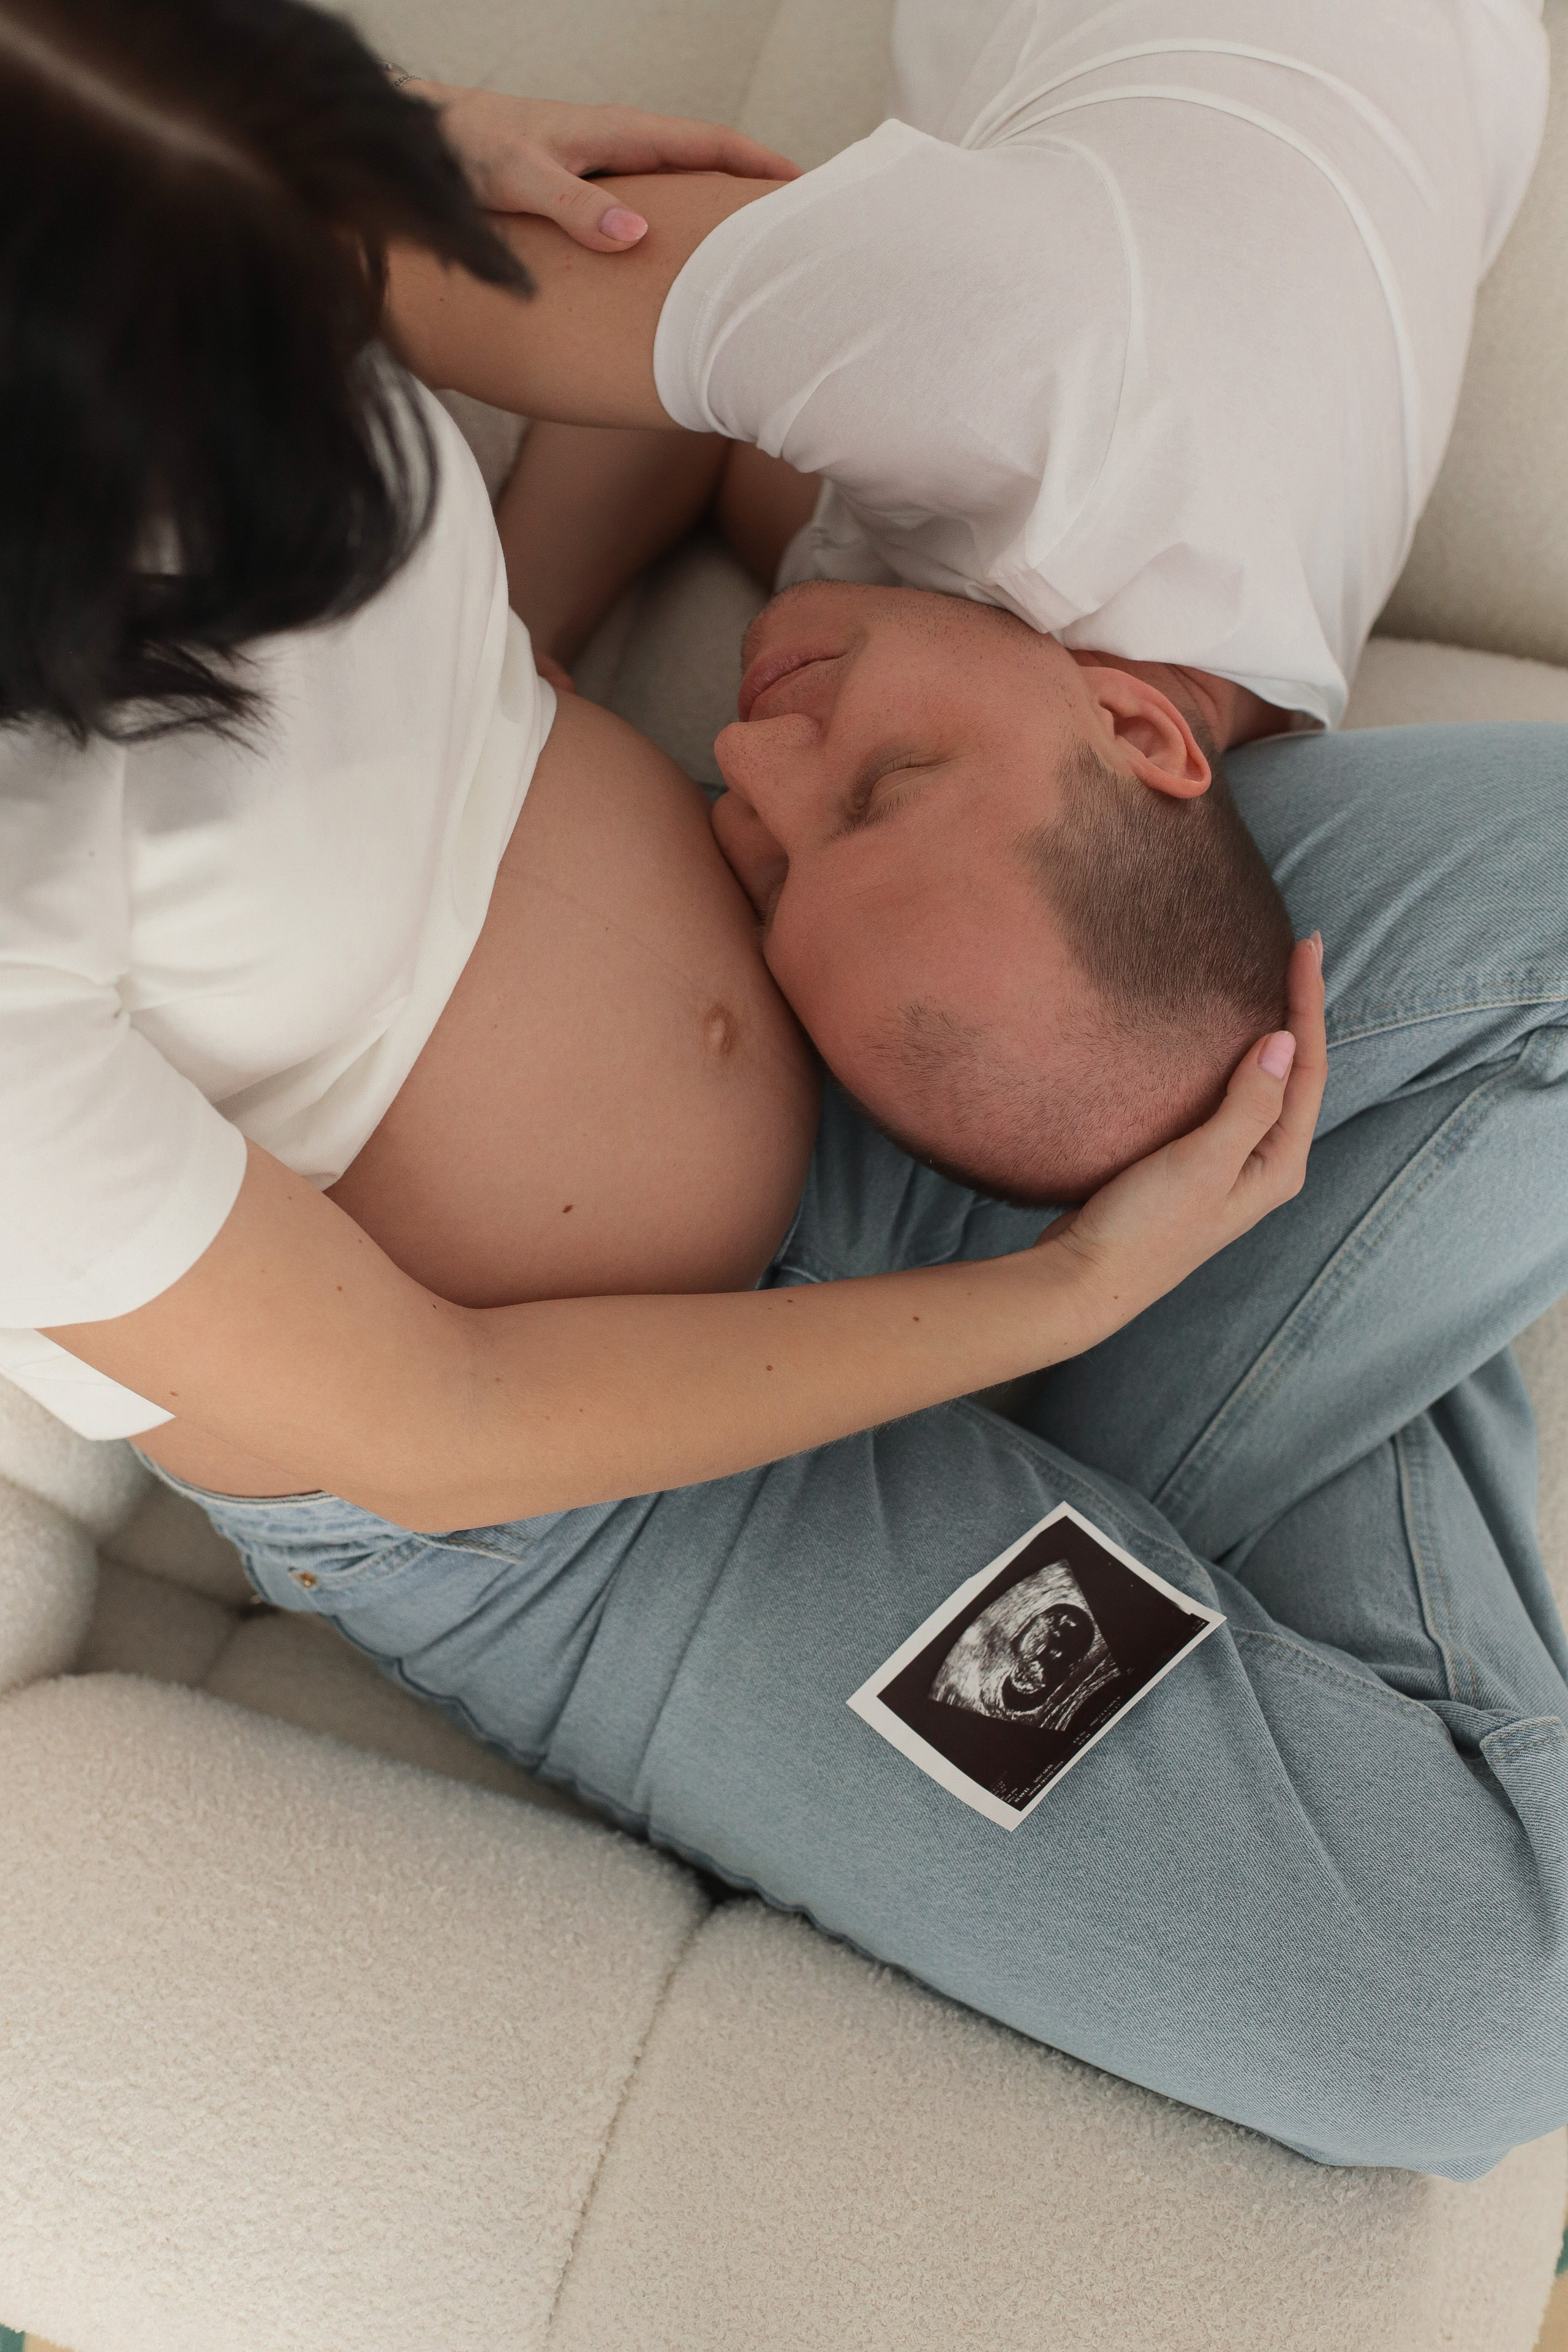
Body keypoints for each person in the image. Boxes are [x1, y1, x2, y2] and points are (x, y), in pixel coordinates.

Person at [7, 0, 1567, 2177]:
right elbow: (430, 1418)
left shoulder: (131, 157)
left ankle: (1146, 1377)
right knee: (1471, 2010)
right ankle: (1146, 1379)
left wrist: (385, 177)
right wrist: (1073, 1293)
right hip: (608, 1504)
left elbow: (667, 348)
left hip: (921, 1022)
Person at [392, 0, 1550, 1202]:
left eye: (774, 879)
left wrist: (518, 632)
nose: (746, 756)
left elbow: (717, 419)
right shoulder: (1034, 388)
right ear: (1137, 734)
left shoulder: (1197, 681)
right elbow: (305, 218)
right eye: (886, 783)